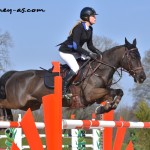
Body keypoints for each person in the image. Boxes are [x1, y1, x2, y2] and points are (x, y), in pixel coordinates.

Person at [58, 7, 102, 94]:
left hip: (75, 52)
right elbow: (75, 46)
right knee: (75, 68)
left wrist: (99, 52)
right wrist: (89, 53)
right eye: (93, 16)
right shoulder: (78, 28)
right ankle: (63, 89)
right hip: (66, 52)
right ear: (86, 17)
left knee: (88, 63)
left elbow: (90, 45)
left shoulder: (90, 29)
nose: (95, 18)